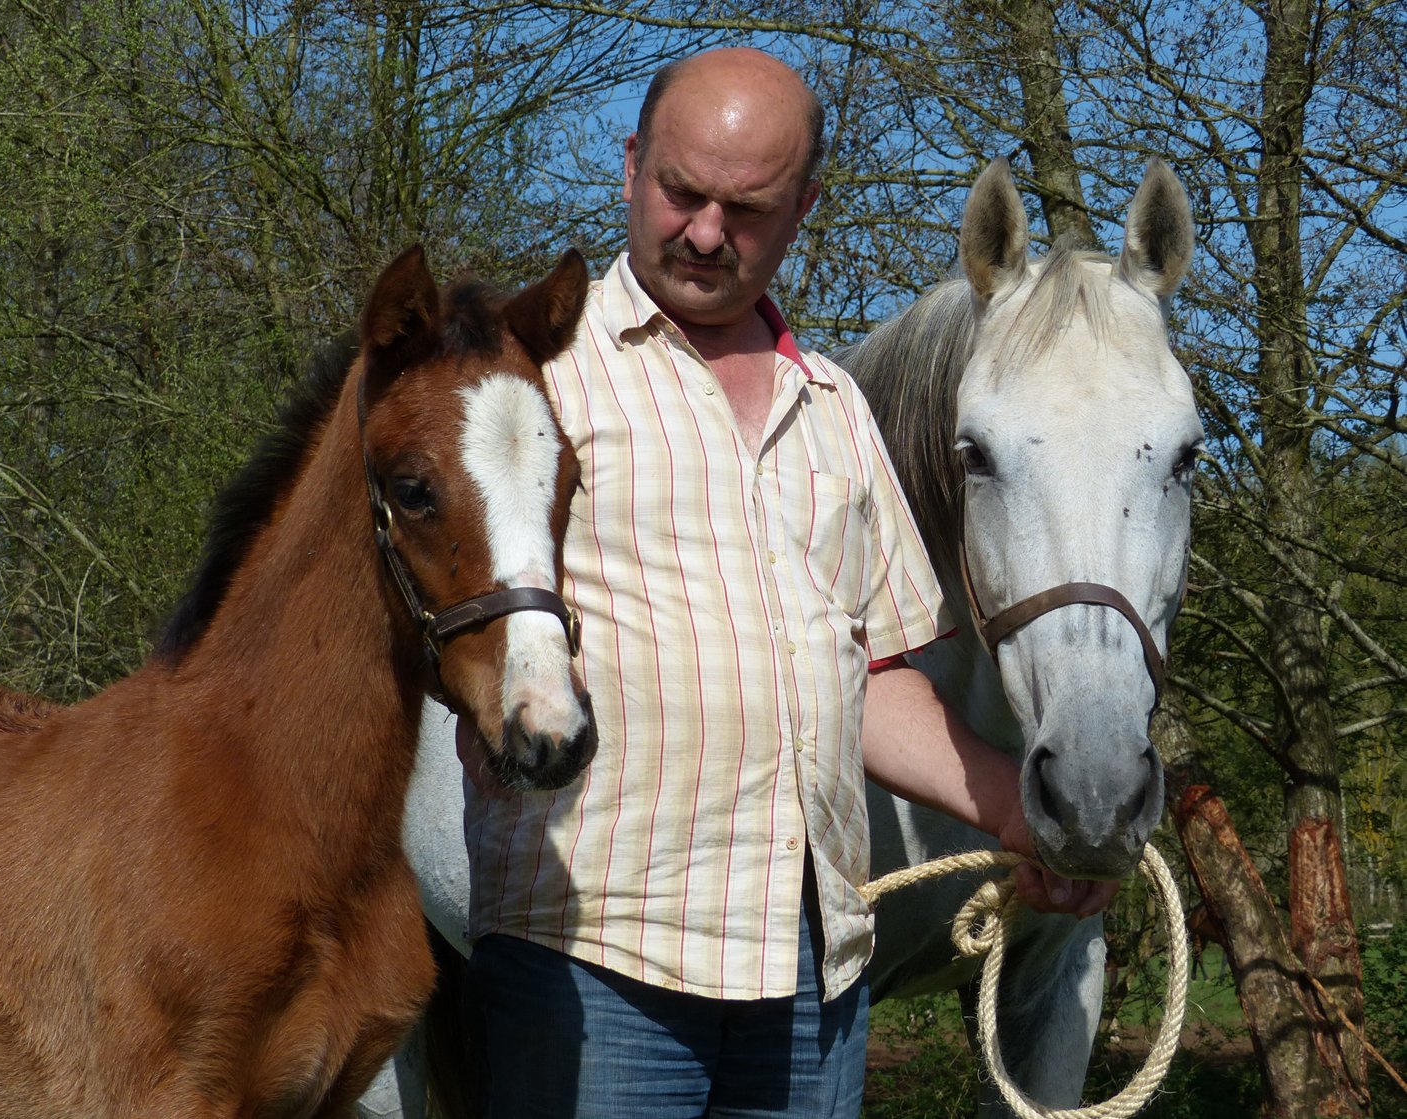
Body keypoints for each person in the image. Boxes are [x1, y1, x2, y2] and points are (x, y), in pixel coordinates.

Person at [455, 46, 1118, 1118]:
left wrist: (1020, 812)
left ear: (805, 208)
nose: (704, 233)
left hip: (811, 978)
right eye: (681, 192)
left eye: (749, 209)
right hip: (597, 959)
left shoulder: (837, 411)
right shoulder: (534, 379)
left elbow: (872, 676)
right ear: (630, 166)